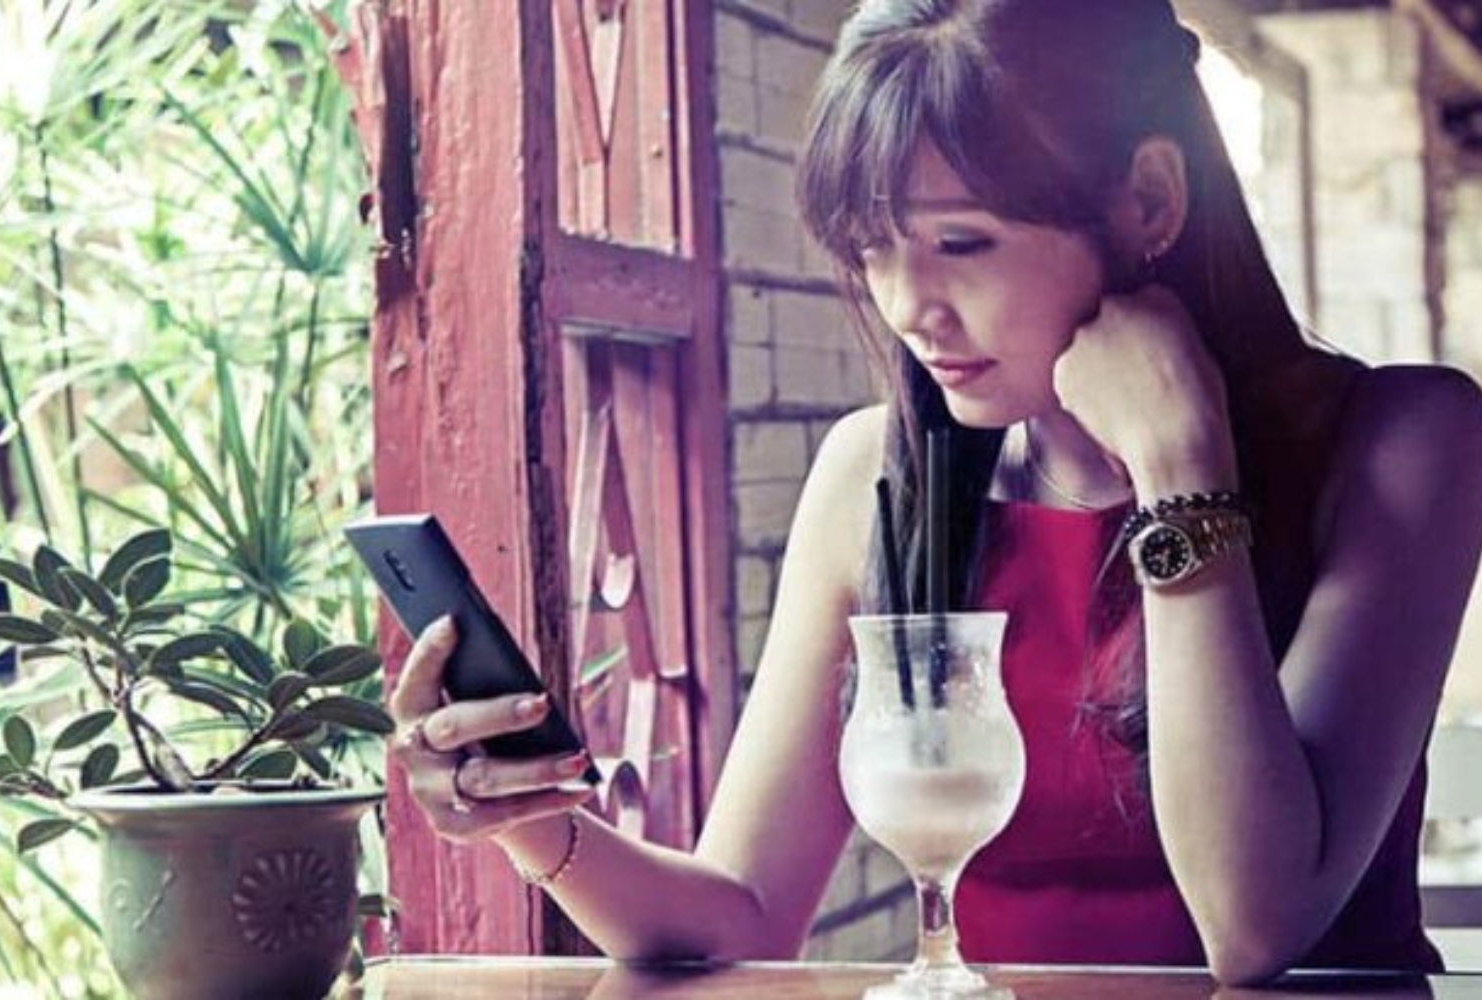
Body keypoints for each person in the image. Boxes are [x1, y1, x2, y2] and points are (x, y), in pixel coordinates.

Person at [385, 0, 1482, 985]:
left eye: (962, 242)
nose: (911, 306)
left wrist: (1180, 467)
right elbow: (741, 912)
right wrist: (526, 817)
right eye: (873, 249)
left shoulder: (1404, 441)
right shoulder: (876, 475)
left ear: (1148, 197)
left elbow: (1255, 927)